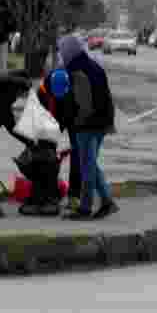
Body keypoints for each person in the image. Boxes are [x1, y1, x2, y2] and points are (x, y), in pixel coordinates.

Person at [57, 35, 119, 220]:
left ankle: (85, 208)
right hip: (103, 122)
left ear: (69, 51)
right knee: (90, 164)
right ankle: (107, 202)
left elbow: (83, 104)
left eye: (62, 50)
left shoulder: (78, 70)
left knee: (86, 166)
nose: (61, 54)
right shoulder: (94, 66)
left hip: (88, 124)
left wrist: (77, 121)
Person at [37, 69, 82, 212]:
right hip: (53, 116)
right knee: (47, 152)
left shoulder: (73, 88)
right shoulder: (42, 91)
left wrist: (68, 146)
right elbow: (43, 118)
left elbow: (74, 112)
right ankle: (50, 191)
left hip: (73, 116)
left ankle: (74, 195)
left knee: (77, 153)